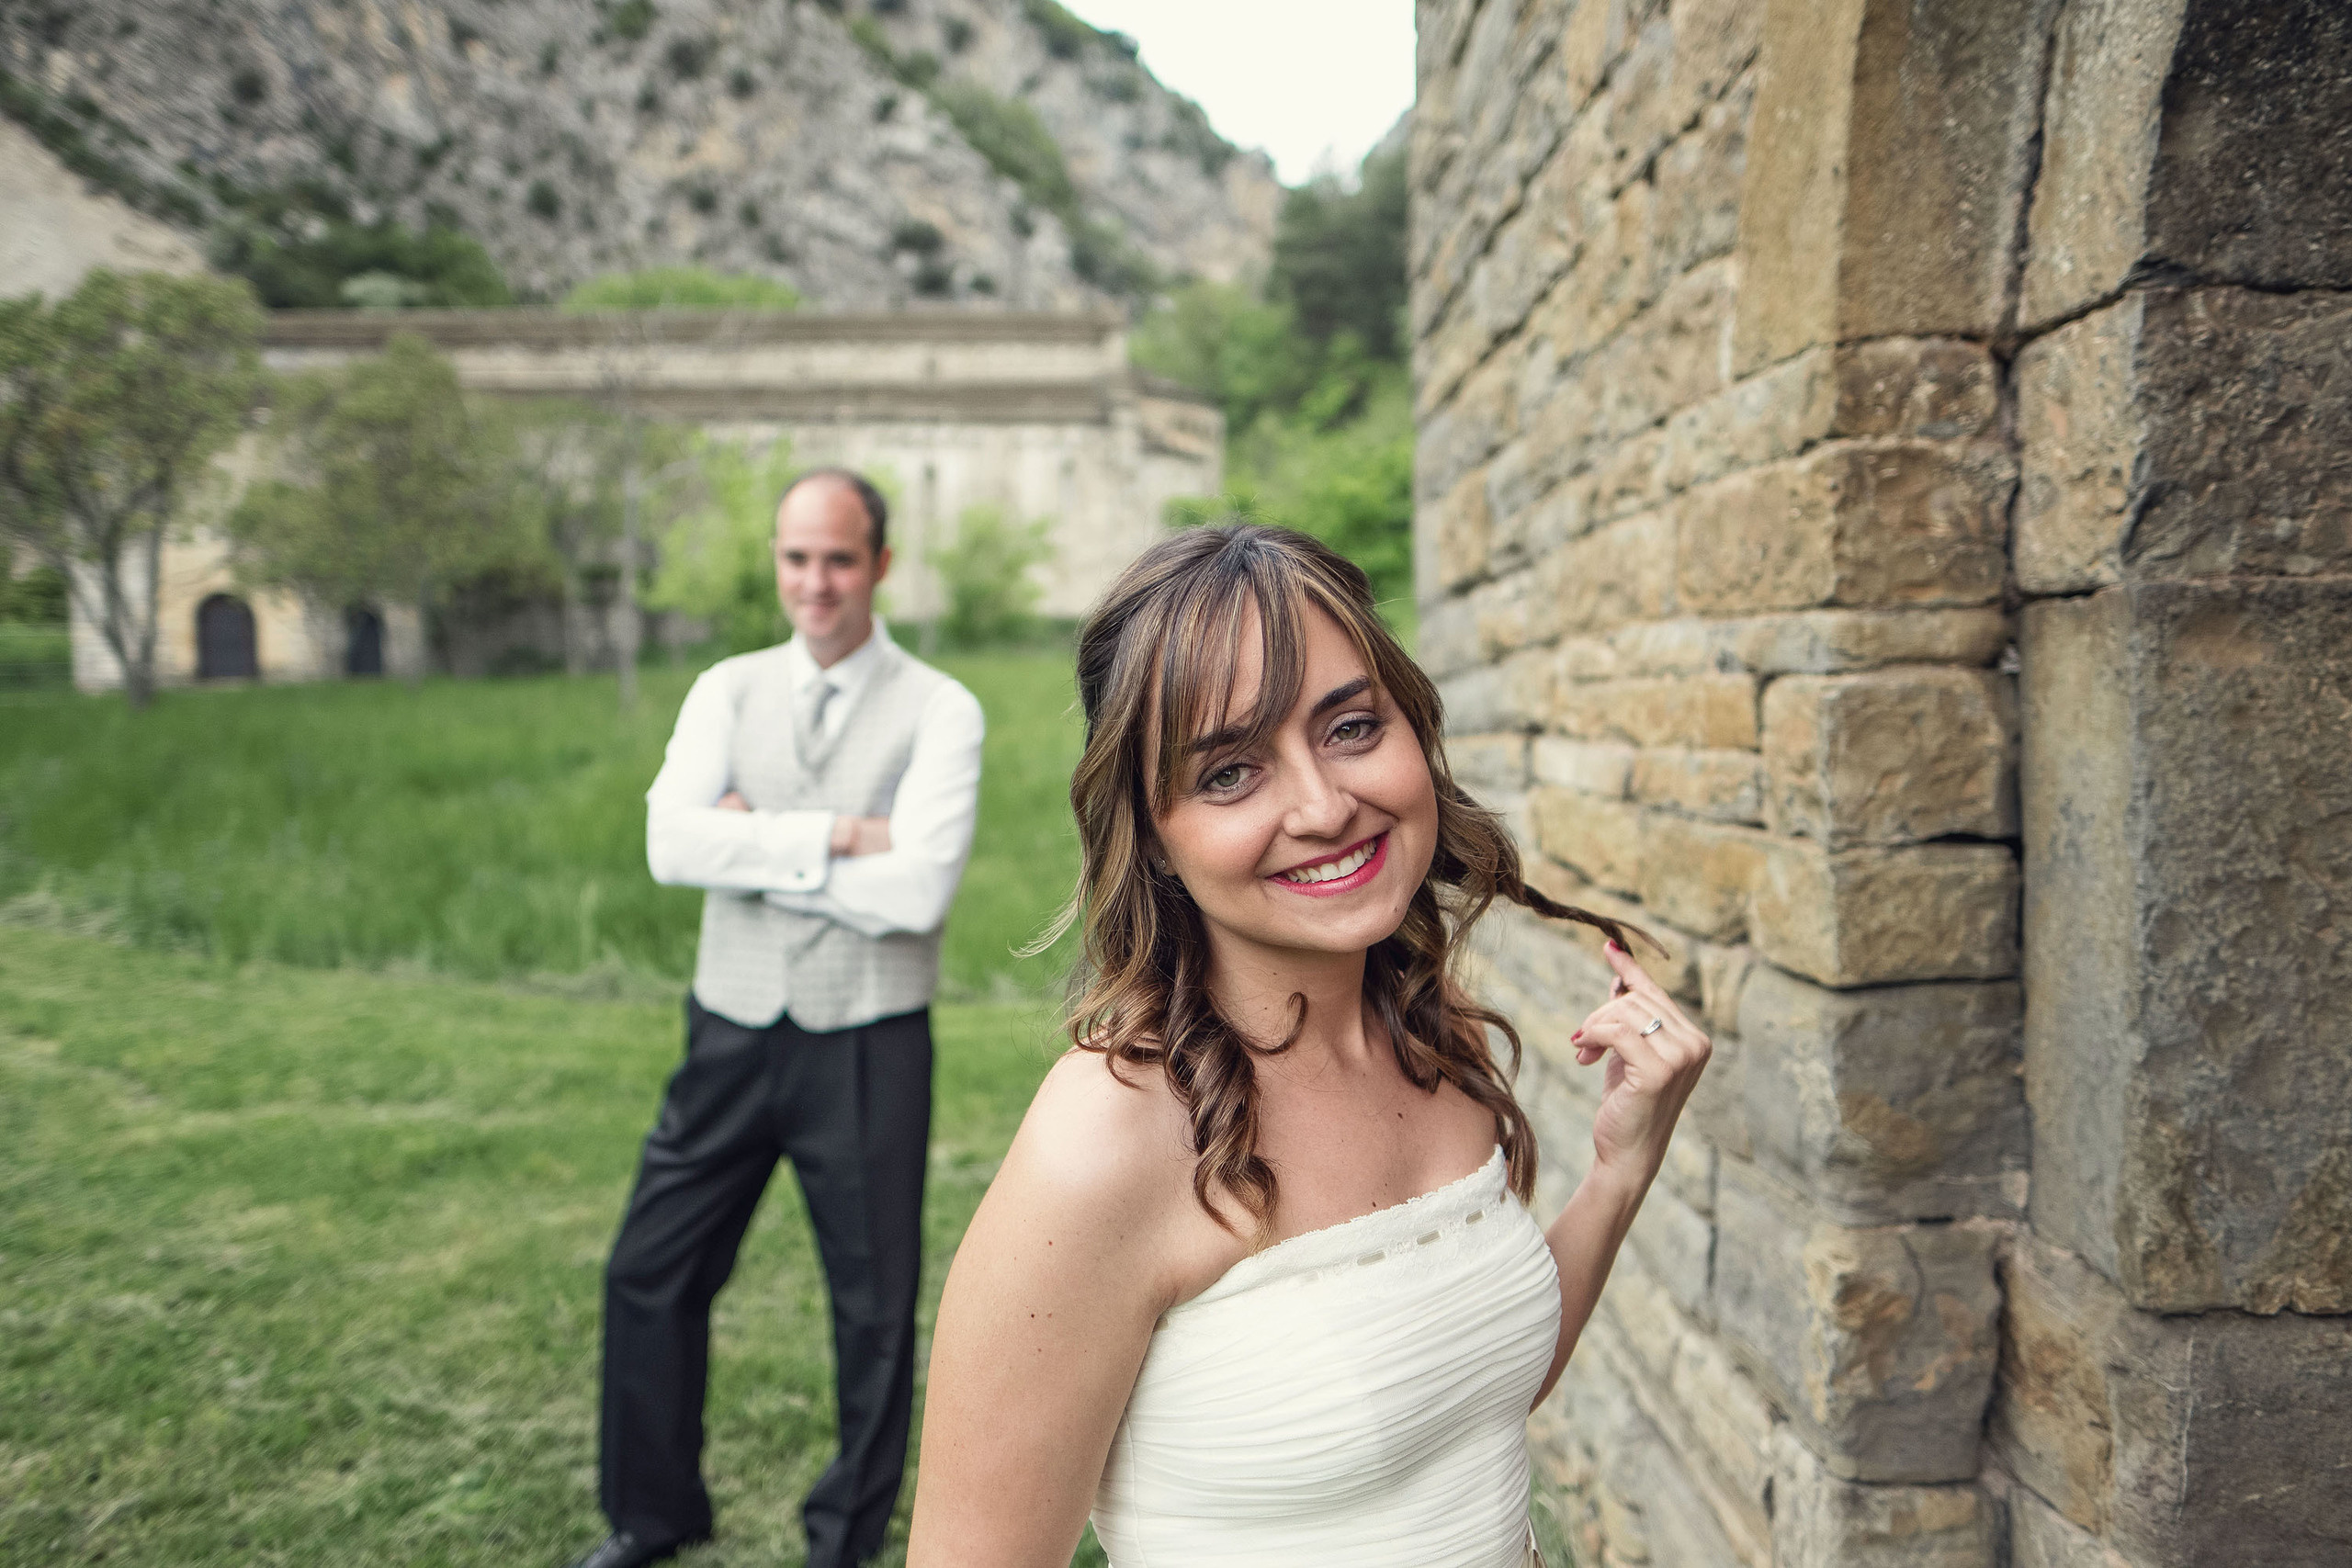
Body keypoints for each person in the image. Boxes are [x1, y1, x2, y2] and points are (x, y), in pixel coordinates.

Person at [906, 524, 1709, 1567]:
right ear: (1151, 834)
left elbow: (1458, 1400)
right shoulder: (1110, 1136)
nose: (1326, 807)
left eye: (1350, 727)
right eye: (1231, 772)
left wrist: (1620, 1168)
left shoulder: (1430, 1031)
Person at [565, 469, 985, 1568]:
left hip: (870, 1039)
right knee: (647, 1270)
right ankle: (652, 1515)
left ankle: (841, 1540)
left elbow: (920, 894)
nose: (816, 582)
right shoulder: (724, 688)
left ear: (880, 565)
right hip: (730, 1025)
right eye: (797, 558)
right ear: (777, 561)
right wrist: (842, 835)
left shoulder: (942, 708)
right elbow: (671, 847)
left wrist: (754, 849)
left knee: (873, 1309)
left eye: (840, 559)